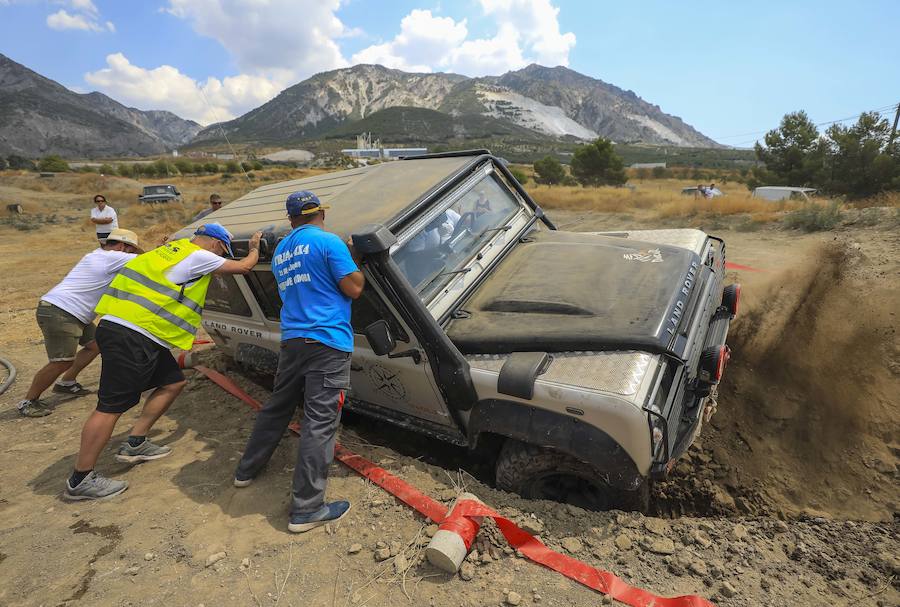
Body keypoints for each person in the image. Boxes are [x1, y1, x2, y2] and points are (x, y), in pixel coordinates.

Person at [63, 222, 262, 501]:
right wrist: (253, 248)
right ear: (217, 244)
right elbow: (243, 268)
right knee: (111, 406)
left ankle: (135, 442)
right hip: (134, 334)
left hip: (129, 331)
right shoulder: (199, 255)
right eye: (222, 249)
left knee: (172, 383)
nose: (221, 254)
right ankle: (80, 479)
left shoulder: (169, 251)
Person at [234, 190, 364, 533]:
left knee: (277, 407)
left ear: (292, 219)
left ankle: (246, 471)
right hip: (327, 343)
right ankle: (306, 509)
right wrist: (353, 256)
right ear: (320, 213)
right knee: (320, 422)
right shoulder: (329, 242)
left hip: (293, 341)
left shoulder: (280, 252)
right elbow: (354, 288)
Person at [16, 229, 143, 418]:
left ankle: (66, 383)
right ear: (124, 247)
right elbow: (149, 261)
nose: (132, 255)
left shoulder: (98, 256)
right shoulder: (113, 257)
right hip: (62, 312)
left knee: (95, 346)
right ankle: (28, 401)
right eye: (132, 251)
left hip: (69, 312)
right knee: (61, 361)